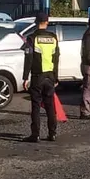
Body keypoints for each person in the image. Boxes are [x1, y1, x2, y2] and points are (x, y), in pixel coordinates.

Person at [21, 12, 61, 142]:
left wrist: (25, 77)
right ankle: (52, 134)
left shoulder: (32, 38)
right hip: (50, 76)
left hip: (37, 76)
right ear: (47, 22)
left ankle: (35, 134)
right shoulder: (53, 37)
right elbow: (56, 58)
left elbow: (29, 59)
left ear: (36, 22)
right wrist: (56, 77)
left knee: (36, 106)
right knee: (50, 106)